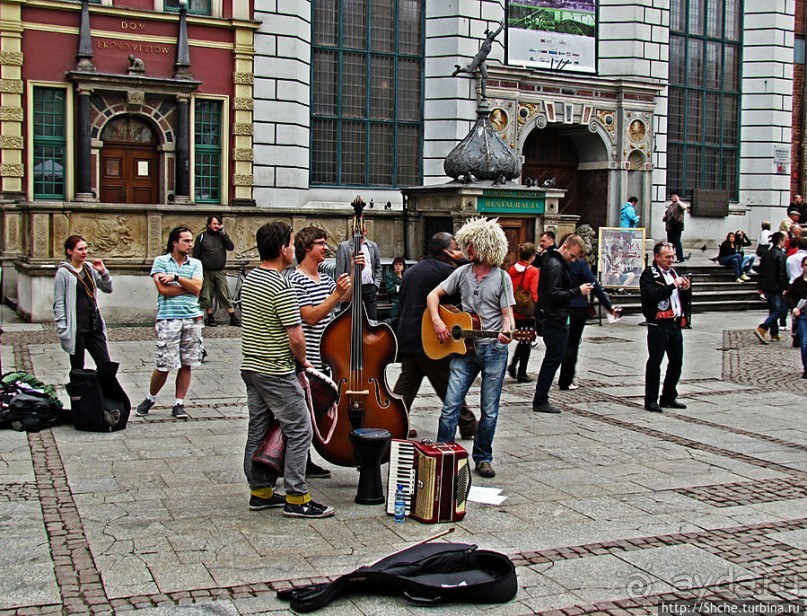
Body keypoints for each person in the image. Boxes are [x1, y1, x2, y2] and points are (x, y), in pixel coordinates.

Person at [240, 221, 334, 518]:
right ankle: (297, 496)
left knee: (258, 428)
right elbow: (296, 335)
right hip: (276, 369)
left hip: (251, 366)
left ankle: (261, 491)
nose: (293, 249)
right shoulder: (281, 285)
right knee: (300, 428)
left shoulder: (252, 277)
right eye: (291, 244)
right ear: (283, 249)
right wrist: (304, 362)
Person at [426, 218, 514, 479]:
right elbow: (433, 296)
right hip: (464, 349)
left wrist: (507, 330)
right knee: (450, 404)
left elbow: (507, 314)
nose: (467, 249)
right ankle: (443, 453)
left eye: (471, 245)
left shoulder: (502, 278)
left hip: (493, 350)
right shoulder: (462, 273)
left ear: (486, 246)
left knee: (489, 409)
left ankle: (483, 457)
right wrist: (437, 320)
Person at [392, 232, 478, 441]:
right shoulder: (447, 271)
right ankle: (468, 424)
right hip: (429, 338)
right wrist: (463, 261)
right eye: (455, 248)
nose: (458, 251)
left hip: (408, 337)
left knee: (407, 384)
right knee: (447, 383)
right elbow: (464, 299)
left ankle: (392, 421)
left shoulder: (412, 271)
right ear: (447, 251)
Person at [288, 226, 352, 479]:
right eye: (320, 243)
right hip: (306, 358)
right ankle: (297, 462)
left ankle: (307, 460)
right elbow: (311, 317)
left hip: (326, 357)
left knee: (316, 411)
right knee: (302, 415)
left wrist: (357, 271)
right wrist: (336, 294)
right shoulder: (296, 280)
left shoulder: (325, 278)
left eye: (325, 243)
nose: (325, 247)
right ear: (306, 248)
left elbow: (346, 299)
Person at [135, 227, 204, 420]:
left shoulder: (196, 263)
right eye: (186, 241)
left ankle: (178, 402)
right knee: (164, 363)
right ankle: (151, 397)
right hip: (169, 318)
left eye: (191, 241)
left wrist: (176, 278)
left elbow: (198, 288)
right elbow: (163, 290)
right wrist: (188, 287)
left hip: (192, 317)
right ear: (175, 242)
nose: (190, 244)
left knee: (187, 363)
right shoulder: (161, 262)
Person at [531, 235, 592, 414]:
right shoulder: (556, 265)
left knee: (554, 358)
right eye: (572, 256)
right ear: (565, 247)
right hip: (554, 319)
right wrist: (577, 291)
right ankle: (541, 399)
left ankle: (541, 397)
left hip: (554, 317)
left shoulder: (552, 260)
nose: (573, 261)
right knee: (552, 359)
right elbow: (553, 294)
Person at [640, 242, 691, 413]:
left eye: (672, 257)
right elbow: (653, 295)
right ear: (657, 257)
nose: (671, 260)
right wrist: (672, 286)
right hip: (658, 324)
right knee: (655, 362)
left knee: (676, 361)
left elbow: (681, 297)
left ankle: (669, 396)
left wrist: (686, 288)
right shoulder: (649, 274)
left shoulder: (674, 273)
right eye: (667, 257)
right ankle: (651, 399)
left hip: (674, 323)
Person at [53, 235, 113, 374]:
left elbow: (107, 288)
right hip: (77, 328)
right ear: (70, 251)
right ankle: (78, 395)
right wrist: (63, 329)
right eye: (80, 249)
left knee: (106, 365)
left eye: (86, 248)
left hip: (94, 325)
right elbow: (59, 303)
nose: (84, 252)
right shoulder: (63, 273)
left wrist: (104, 272)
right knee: (77, 369)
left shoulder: (89, 268)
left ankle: (106, 395)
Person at [558, 254, 618, 391]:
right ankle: (566, 379)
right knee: (572, 344)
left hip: (563, 306)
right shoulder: (580, 264)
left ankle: (564, 378)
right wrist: (608, 305)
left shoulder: (559, 263)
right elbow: (594, 285)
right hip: (578, 307)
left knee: (566, 343)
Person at [193, 215, 239, 327]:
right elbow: (196, 255)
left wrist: (224, 234)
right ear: (209, 225)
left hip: (219, 271)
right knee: (207, 295)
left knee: (225, 294)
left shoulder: (221, 236)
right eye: (214, 224)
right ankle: (210, 317)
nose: (216, 226)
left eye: (218, 224)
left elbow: (230, 247)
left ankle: (233, 317)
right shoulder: (202, 237)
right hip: (206, 271)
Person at [507, 243, 539, 383]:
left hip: (513, 310)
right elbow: (534, 292)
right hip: (526, 312)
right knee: (526, 341)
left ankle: (513, 365)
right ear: (532, 257)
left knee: (522, 339)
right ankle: (521, 372)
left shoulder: (511, 269)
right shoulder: (533, 271)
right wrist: (536, 309)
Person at [335, 225, 382, 321]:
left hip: (369, 287)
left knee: (372, 319)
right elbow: (340, 271)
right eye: (356, 228)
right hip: (352, 288)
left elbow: (378, 267)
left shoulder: (373, 246)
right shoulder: (344, 246)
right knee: (350, 318)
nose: (359, 231)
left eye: (362, 229)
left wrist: (375, 285)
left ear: (365, 231)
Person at [753, 232, 789, 344]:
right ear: (781, 241)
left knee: (773, 309)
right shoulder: (781, 255)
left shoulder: (766, 254)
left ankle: (774, 333)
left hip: (766, 286)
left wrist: (760, 285)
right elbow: (781, 273)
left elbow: (761, 271)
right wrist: (784, 287)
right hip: (776, 287)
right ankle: (763, 328)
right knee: (780, 309)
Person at [785, 256, 807, 378]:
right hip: (803, 315)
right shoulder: (798, 282)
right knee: (804, 342)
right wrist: (794, 307)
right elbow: (788, 296)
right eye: (806, 265)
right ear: (802, 266)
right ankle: (806, 368)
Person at [663, 193, 689, 263]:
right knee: (670, 243)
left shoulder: (679, 204)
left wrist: (678, 201)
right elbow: (667, 214)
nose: (673, 198)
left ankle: (680, 257)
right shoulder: (671, 206)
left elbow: (684, 207)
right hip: (670, 227)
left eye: (675, 196)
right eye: (672, 196)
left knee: (677, 242)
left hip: (677, 226)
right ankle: (671, 256)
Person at [385, 256, 406, 323]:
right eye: (396, 264)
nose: (398, 266)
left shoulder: (406, 275)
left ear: (403, 266)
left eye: (400, 265)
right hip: (394, 298)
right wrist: (399, 288)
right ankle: (393, 321)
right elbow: (390, 289)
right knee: (397, 304)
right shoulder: (390, 275)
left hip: (404, 297)